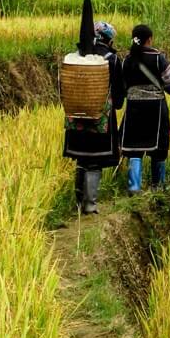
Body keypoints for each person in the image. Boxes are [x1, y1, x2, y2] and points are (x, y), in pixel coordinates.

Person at [62, 20, 125, 214]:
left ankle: (78, 203)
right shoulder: (112, 60)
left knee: (81, 159)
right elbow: (118, 93)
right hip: (100, 119)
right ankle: (90, 204)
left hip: (76, 116)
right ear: (109, 40)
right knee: (94, 162)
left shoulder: (75, 57)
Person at [120, 23, 170, 193]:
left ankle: (134, 186)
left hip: (134, 108)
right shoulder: (158, 57)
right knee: (159, 148)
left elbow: (123, 85)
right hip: (156, 109)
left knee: (134, 148)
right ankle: (158, 187)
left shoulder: (127, 60)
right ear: (149, 39)